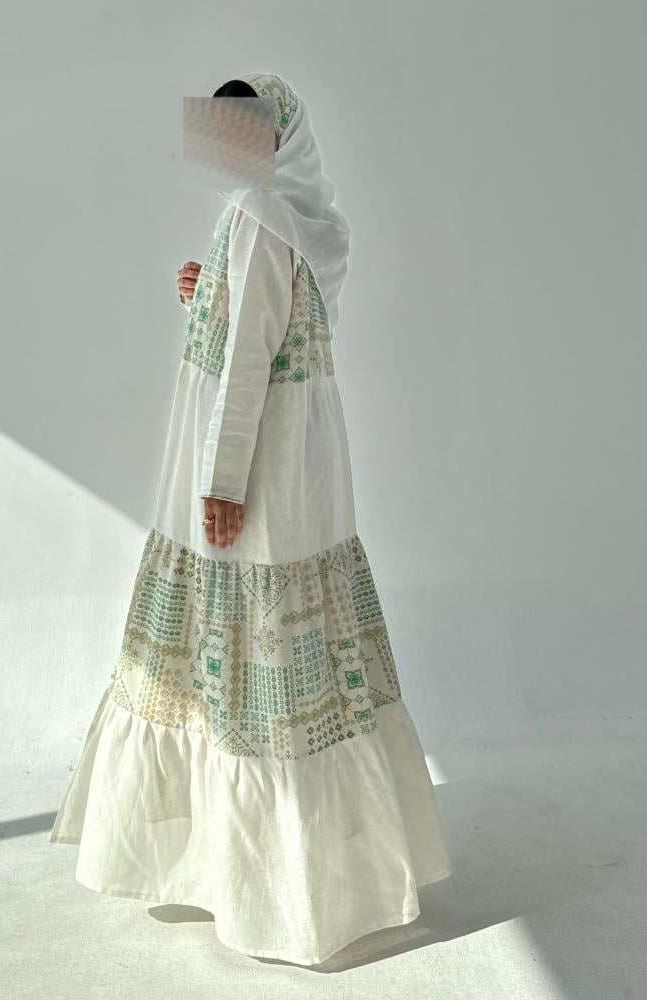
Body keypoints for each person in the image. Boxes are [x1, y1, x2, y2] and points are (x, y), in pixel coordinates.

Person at [49, 71, 452, 966]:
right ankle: (291, 862)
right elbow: (277, 317)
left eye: (242, 131)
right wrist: (208, 293)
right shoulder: (299, 215)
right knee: (289, 645)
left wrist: (222, 485)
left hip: (256, 459)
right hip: (302, 460)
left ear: (274, 136)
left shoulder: (261, 218)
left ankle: (266, 885)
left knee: (242, 634)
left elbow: (247, 368)